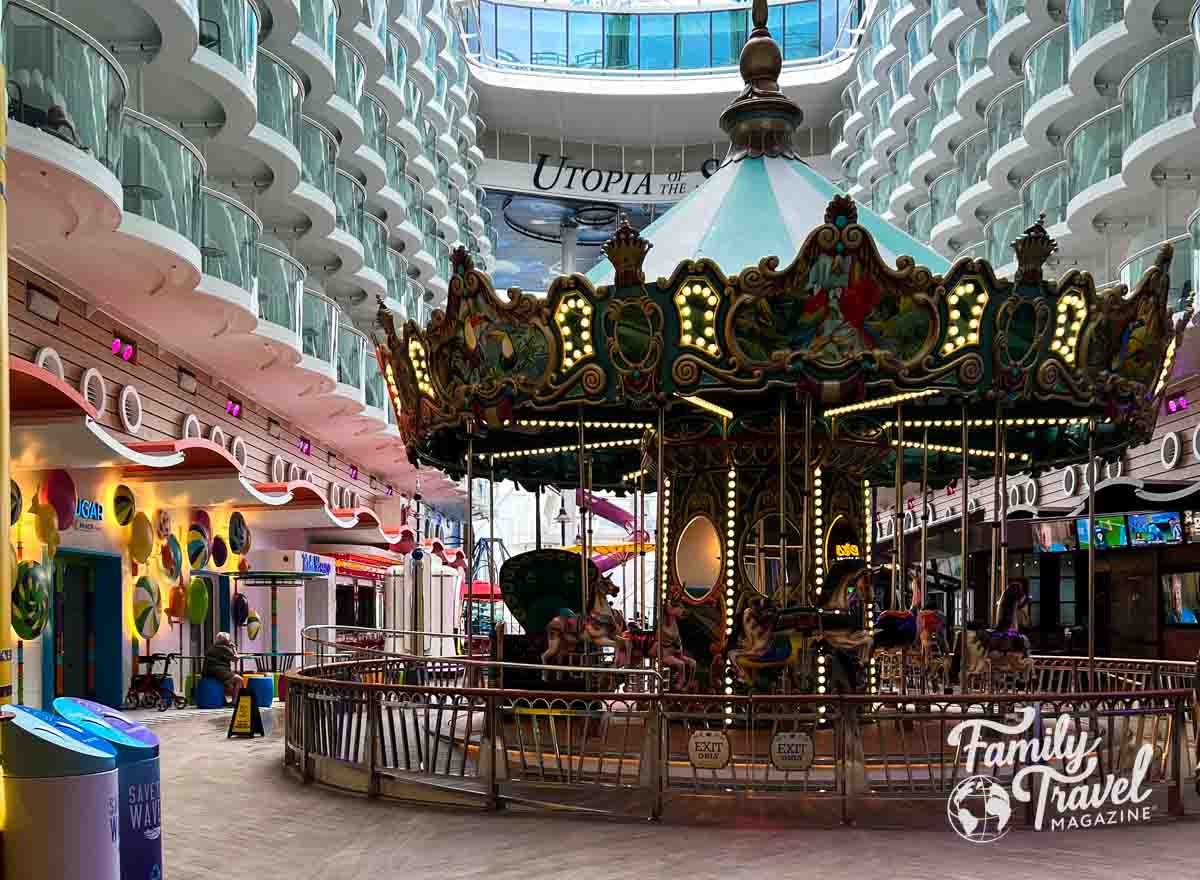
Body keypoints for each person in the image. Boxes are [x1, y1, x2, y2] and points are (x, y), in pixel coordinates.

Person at [204, 632, 244, 702]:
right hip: (217, 671)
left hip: (208, 672)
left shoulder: (212, 647)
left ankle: (223, 700)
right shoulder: (224, 648)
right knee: (239, 680)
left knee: (229, 684)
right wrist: (233, 648)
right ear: (226, 640)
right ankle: (234, 702)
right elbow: (235, 659)